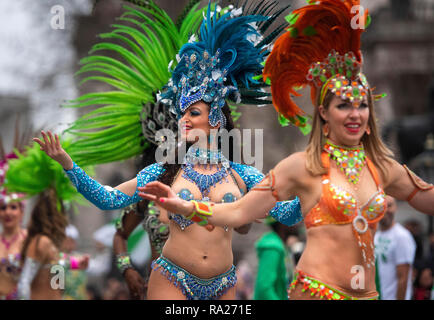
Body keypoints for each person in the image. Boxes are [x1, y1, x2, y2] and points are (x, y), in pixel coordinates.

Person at [138, 0, 434, 300]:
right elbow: (241, 211)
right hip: (315, 292)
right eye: (343, 105)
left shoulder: (383, 167)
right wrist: (185, 207)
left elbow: (427, 198)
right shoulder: (301, 166)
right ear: (323, 114)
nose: (354, 114)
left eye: (362, 106)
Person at [34, 2, 302, 300]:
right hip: (172, 280)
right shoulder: (163, 171)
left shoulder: (243, 175)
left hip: (224, 285)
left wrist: (315, 184)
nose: (183, 120)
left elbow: (286, 214)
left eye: (193, 113)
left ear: (215, 118)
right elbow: (107, 199)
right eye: (182, 113)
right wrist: (68, 163)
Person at [3, 141, 89, 300]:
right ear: (55, 213)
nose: (65, 216)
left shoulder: (53, 243)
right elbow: (24, 283)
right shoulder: (41, 242)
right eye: (62, 210)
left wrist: (74, 263)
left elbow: (57, 282)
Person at [0, 125, 28, 299]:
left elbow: (57, 264)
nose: (8, 212)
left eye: (13, 207)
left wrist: (58, 290)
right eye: (3, 207)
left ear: (22, 211)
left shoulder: (32, 240)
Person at [374, 196, 416, 300]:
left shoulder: (401, 236)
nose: (385, 210)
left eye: (389, 206)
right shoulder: (376, 236)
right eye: (381, 207)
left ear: (396, 208)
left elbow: (403, 277)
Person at [254, 216, 295, 300]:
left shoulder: (282, 245)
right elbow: (264, 287)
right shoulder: (272, 248)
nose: (297, 223)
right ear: (283, 224)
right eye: (294, 218)